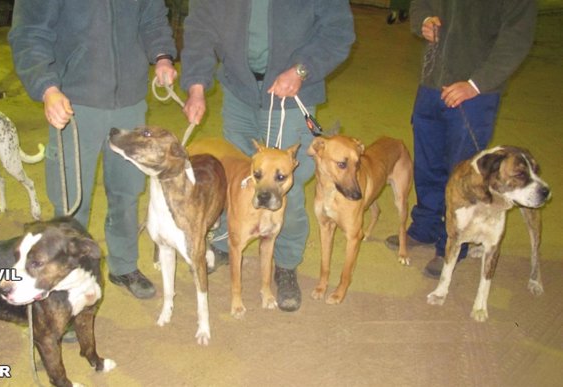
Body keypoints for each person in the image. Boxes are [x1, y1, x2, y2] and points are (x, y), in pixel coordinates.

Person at [181, 0, 355, 311]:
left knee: (282, 186)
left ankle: (285, 263)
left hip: (291, 94)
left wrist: (302, 69)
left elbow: (339, 31)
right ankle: (225, 240)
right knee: (236, 181)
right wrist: (196, 86)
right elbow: (199, 28)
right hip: (239, 92)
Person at [9, 0, 178, 299]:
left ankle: (123, 265)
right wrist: (47, 88)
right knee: (72, 202)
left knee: (126, 193)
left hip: (129, 102)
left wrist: (162, 56)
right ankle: (70, 281)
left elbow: (152, 16)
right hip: (74, 104)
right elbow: (29, 34)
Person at [385, 0, 537, 278]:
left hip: (475, 94)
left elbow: (516, 39)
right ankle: (426, 225)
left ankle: (451, 246)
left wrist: (475, 84)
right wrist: (423, 20)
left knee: (463, 174)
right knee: (427, 163)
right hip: (432, 84)